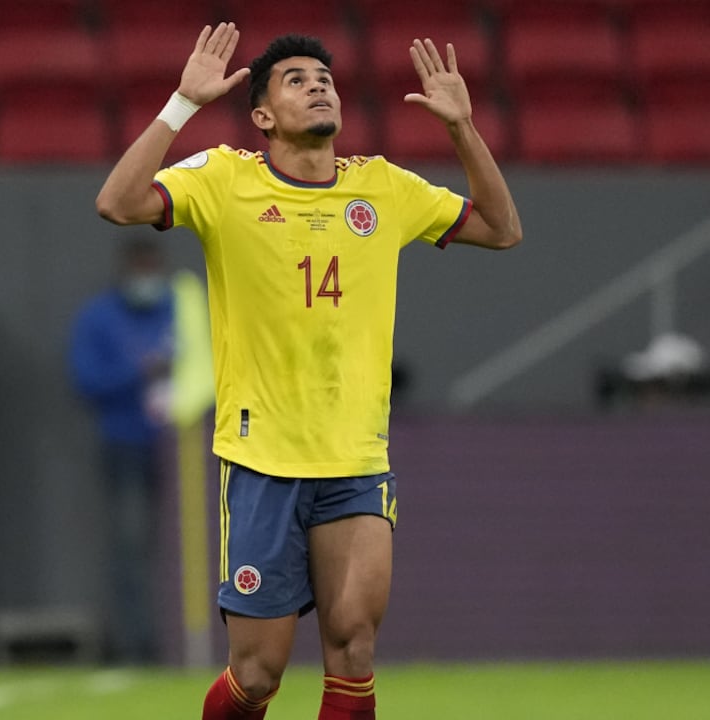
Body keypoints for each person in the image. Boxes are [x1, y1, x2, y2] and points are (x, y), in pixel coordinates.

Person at [95, 23, 521, 719]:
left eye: (324, 79)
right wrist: (183, 104)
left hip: (356, 461)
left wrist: (461, 129)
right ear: (263, 116)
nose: (319, 87)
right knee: (257, 674)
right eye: (296, 80)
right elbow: (117, 203)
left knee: (353, 648)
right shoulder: (224, 179)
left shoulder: (381, 187)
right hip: (262, 459)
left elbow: (502, 229)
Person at [69, 237, 175, 664]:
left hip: (187, 450)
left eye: (152, 268)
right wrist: (138, 371)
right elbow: (86, 380)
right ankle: (139, 645)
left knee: (190, 547)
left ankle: (195, 641)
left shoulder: (180, 311)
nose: (146, 278)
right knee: (131, 545)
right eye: (139, 269)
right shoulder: (98, 317)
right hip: (125, 445)